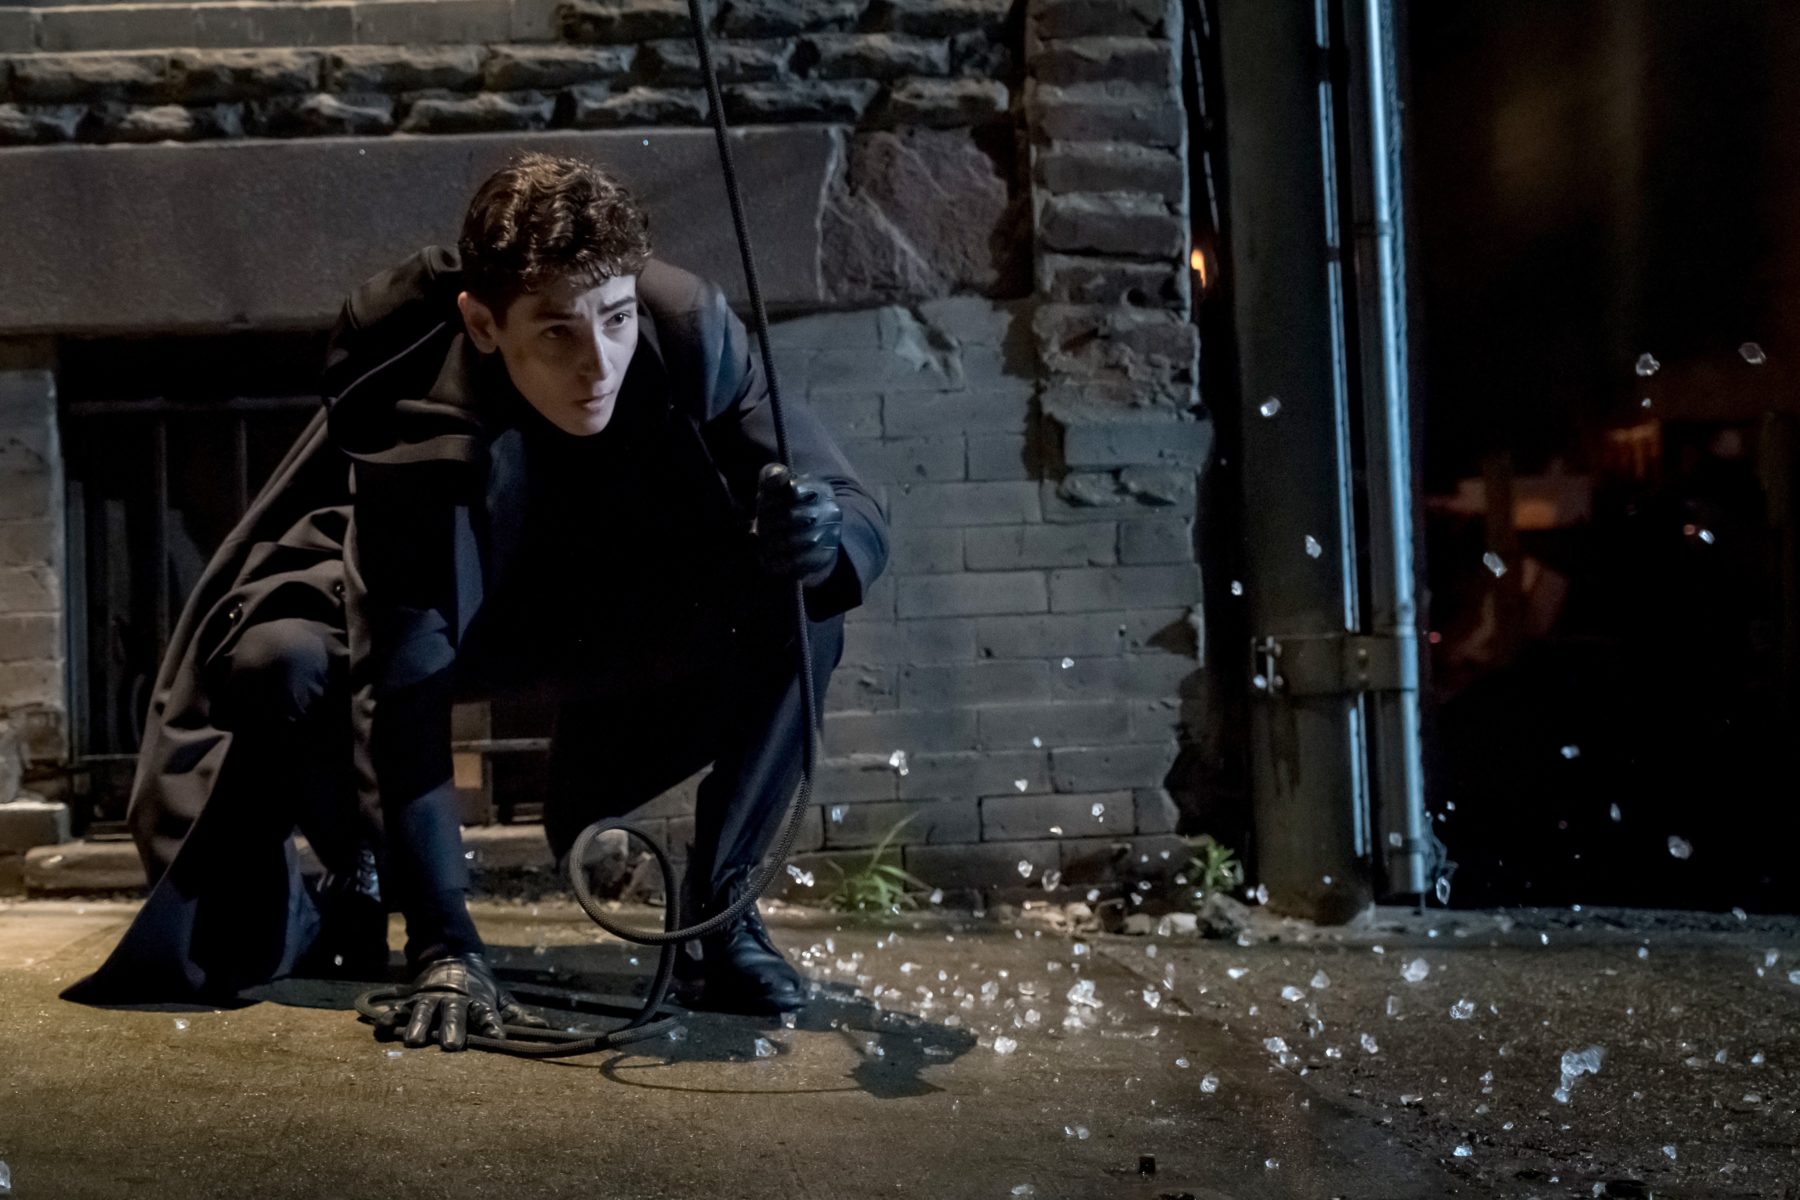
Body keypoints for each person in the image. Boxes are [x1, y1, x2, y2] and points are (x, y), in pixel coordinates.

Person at [61, 151, 890, 1049]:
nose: (599, 364)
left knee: (805, 600)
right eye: (558, 333)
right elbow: (404, 683)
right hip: (461, 611)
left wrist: (818, 535)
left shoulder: (691, 330)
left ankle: (721, 916)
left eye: (615, 319)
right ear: (484, 325)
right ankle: (362, 872)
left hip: (606, 611)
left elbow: (852, 501)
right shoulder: (421, 401)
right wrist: (445, 944)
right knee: (281, 658)